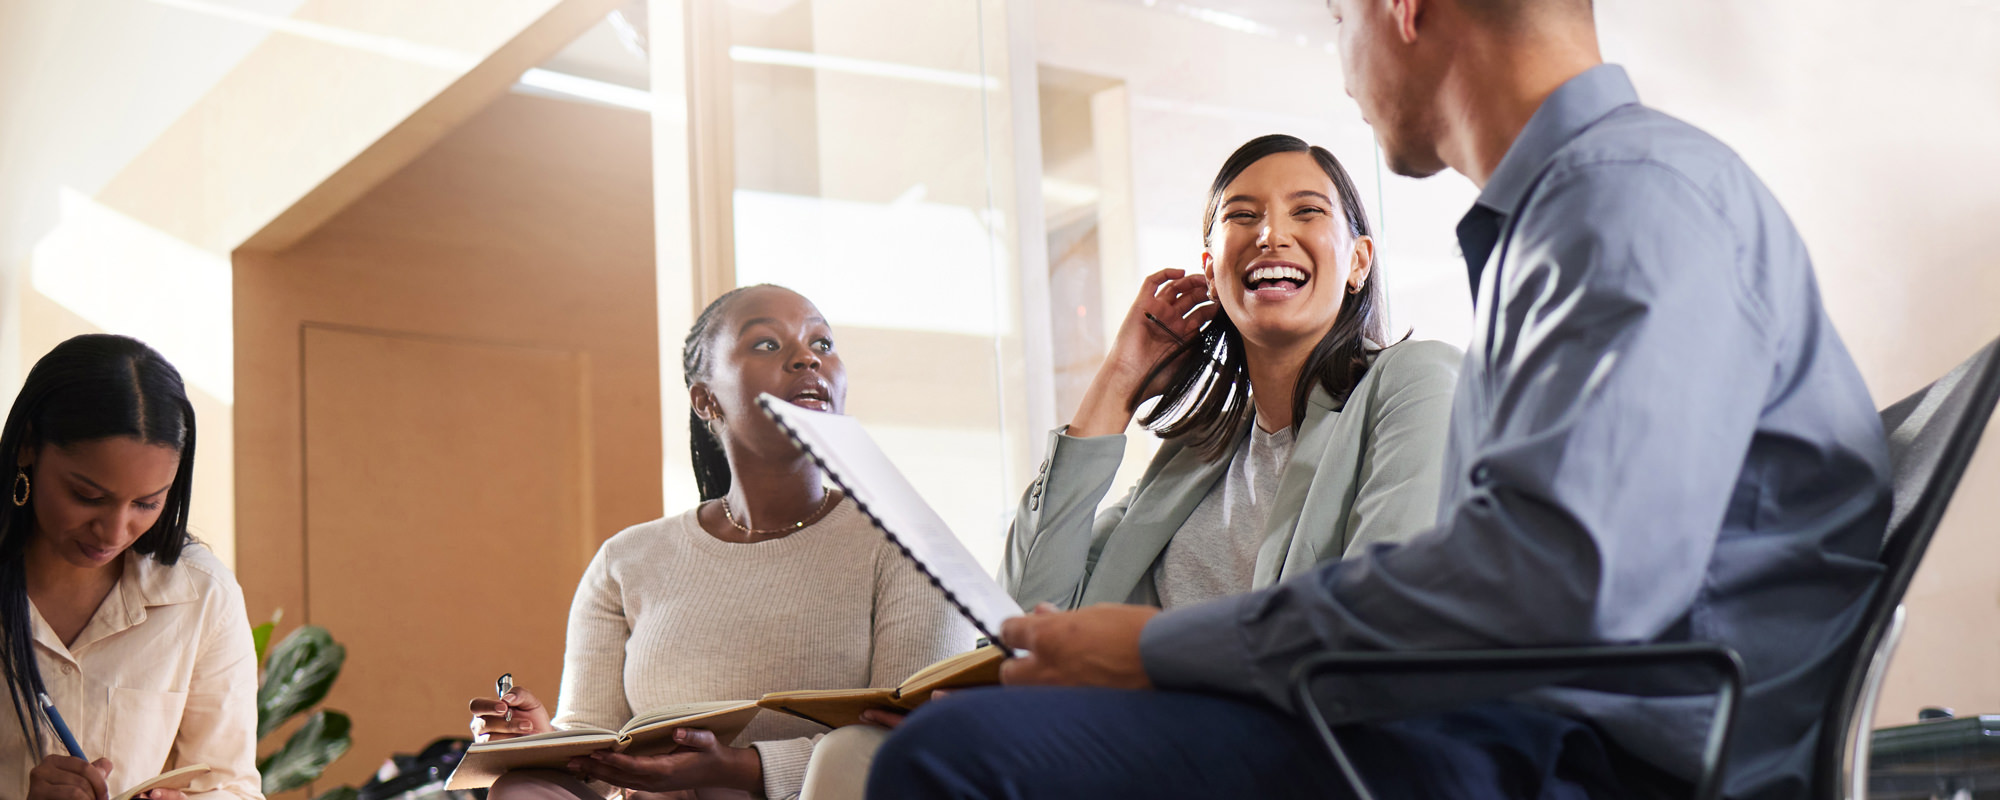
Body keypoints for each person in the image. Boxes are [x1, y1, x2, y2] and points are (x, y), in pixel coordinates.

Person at [867, 0, 1890, 798]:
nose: (1345, 71)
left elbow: (1559, 582)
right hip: (1536, 731)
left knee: (955, 758)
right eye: (1239, 218)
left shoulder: (1623, 201)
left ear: (1400, 8)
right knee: (961, 740)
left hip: (1588, 758)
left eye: (1335, 17)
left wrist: (1152, 650)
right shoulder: (1589, 209)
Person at [467, 285, 975, 800]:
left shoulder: (908, 545)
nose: (807, 358)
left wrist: (735, 770)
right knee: (521, 789)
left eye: (821, 344)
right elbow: (595, 747)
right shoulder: (626, 560)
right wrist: (543, 740)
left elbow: (908, 742)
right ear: (705, 399)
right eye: (767, 344)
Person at [1005, 133, 1460, 612]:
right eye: (1242, 216)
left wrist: (1155, 644)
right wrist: (1118, 380)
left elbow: (1387, 612)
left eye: (1307, 211)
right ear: (1211, 271)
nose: (1271, 235)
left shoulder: (1415, 382)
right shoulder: (1191, 456)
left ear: (1358, 262)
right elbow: (1023, 618)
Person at [0, 334, 262, 800]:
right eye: (87, 496)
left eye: (146, 503)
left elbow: (232, 785)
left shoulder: (202, 596)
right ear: (27, 446)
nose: (114, 532)